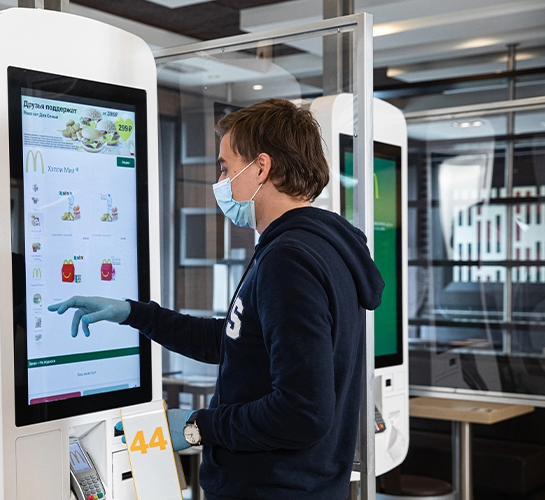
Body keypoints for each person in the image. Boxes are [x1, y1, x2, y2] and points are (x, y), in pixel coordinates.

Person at [48, 98, 384, 500]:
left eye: (225, 167)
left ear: (261, 167)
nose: (220, 180)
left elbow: (303, 413)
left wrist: (198, 427)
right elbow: (239, 342)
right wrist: (134, 314)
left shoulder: (289, 259)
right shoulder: (317, 247)